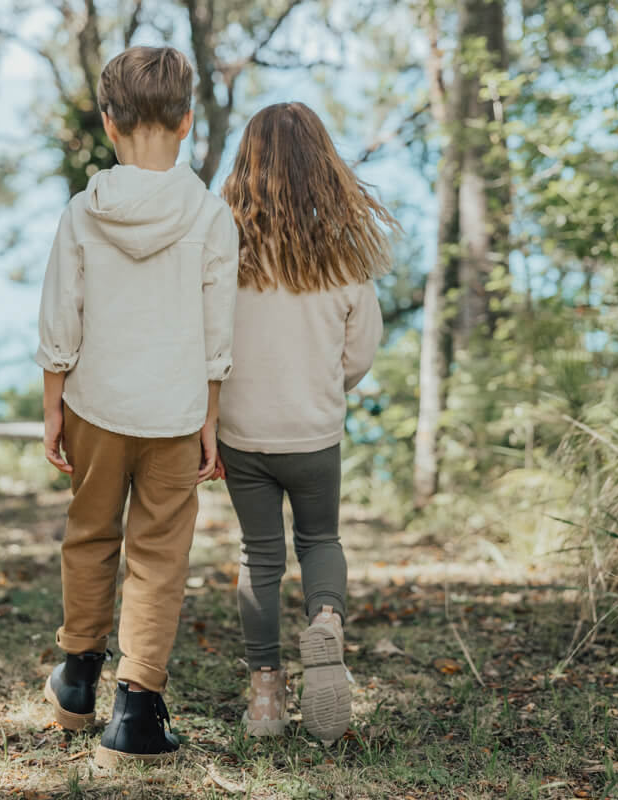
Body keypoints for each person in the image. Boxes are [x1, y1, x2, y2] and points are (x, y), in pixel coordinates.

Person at [35, 45, 239, 766]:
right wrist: (212, 420)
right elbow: (219, 333)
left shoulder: (82, 213)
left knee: (90, 535)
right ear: (187, 121)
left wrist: (55, 404)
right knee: (159, 558)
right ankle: (137, 712)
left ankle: (76, 677)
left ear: (108, 121)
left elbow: (62, 315)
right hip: (177, 414)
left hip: (95, 404)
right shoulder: (212, 218)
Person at [216, 101, 399, 745]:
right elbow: (360, 353)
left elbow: (206, 340)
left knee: (259, 556)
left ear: (249, 166)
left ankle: (265, 697)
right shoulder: (343, 257)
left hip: (241, 432)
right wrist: (326, 387)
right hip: (314, 431)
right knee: (321, 541)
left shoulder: (225, 250)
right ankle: (325, 619)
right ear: (324, 169)